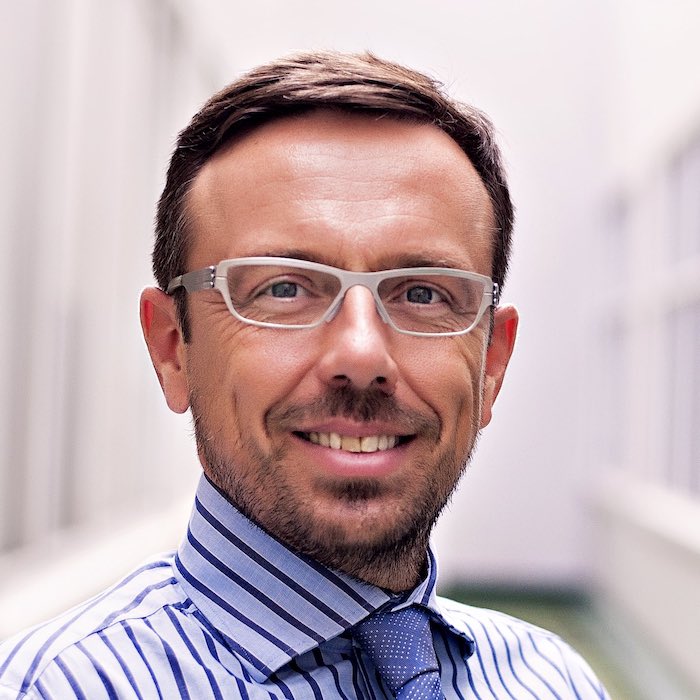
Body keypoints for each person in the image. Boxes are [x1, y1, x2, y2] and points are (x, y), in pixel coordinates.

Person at [0, 51, 609, 699]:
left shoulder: (552, 683)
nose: (362, 357)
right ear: (173, 349)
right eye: (284, 288)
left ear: (491, 364)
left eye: (423, 294)